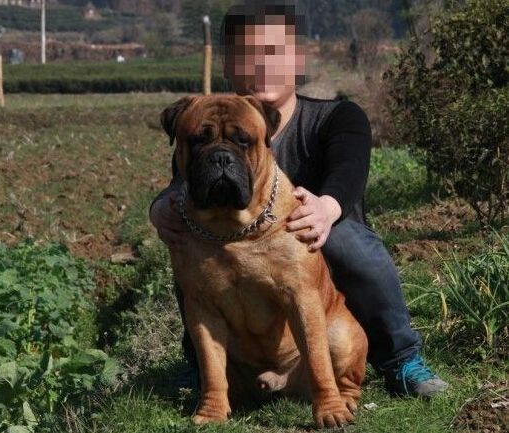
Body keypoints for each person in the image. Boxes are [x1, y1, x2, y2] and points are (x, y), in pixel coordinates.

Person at [149, 0, 448, 398]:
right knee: (189, 237)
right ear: (228, 66)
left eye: (274, 53)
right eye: (247, 55)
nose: (262, 66)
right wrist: (161, 208)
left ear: (297, 60)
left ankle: (399, 358)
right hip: (238, 273)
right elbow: (180, 184)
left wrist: (324, 208)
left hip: (324, 262)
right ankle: (202, 368)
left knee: (344, 239)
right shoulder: (206, 126)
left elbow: (348, 176)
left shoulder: (337, 118)